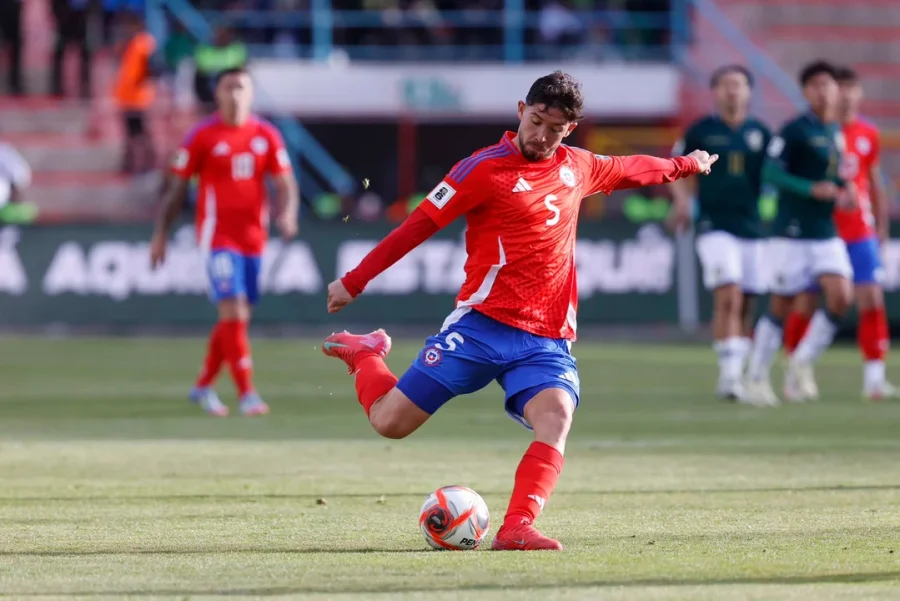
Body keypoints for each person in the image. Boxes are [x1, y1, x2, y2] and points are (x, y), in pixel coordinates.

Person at [320, 71, 717, 550]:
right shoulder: (480, 169)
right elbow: (418, 225)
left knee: (557, 416)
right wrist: (354, 280)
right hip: (481, 326)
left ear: (570, 129)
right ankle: (365, 354)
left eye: (555, 129)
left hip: (545, 338)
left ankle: (516, 528)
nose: (542, 136)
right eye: (536, 122)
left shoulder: (578, 166)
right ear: (520, 111)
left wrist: (686, 165)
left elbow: (631, 168)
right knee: (390, 423)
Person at [149, 67, 300, 417]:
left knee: (237, 317)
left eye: (241, 87)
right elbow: (177, 190)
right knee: (233, 308)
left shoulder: (266, 134)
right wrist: (160, 235)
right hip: (217, 236)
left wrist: (288, 214)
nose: (235, 94)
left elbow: (286, 184)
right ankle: (247, 394)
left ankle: (203, 385)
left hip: (254, 239)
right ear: (217, 93)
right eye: (228, 87)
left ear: (251, 93)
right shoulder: (201, 135)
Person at [744, 61, 855, 405]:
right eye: (816, 85)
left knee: (841, 295)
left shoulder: (834, 131)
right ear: (806, 91)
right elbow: (771, 173)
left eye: (828, 84)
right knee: (782, 304)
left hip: (824, 230)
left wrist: (845, 189)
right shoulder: (794, 131)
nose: (824, 91)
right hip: (791, 231)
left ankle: (801, 362)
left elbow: (835, 174)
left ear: (837, 90)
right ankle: (756, 377)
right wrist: (809, 188)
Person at [782, 66, 895, 400]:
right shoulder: (814, 132)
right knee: (806, 301)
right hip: (820, 230)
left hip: (859, 230)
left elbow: (873, 180)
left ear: (860, 93)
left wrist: (881, 225)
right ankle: (795, 370)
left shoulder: (867, 133)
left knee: (871, 298)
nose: (844, 95)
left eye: (851, 88)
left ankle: (875, 378)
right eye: (839, 88)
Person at [669, 65, 771, 401]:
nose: (732, 90)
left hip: (752, 227)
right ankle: (728, 378)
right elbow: (676, 166)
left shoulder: (761, 133)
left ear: (749, 92)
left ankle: (739, 370)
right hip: (713, 226)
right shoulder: (701, 131)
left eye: (738, 84)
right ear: (714, 91)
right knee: (728, 294)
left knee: (747, 301)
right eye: (726, 84)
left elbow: (776, 175)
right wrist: (683, 202)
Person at [113, 12, 157, 174]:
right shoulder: (129, 44)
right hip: (127, 98)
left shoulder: (144, 43)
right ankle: (129, 163)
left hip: (140, 98)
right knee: (130, 134)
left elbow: (151, 67)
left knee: (142, 133)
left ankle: (149, 162)